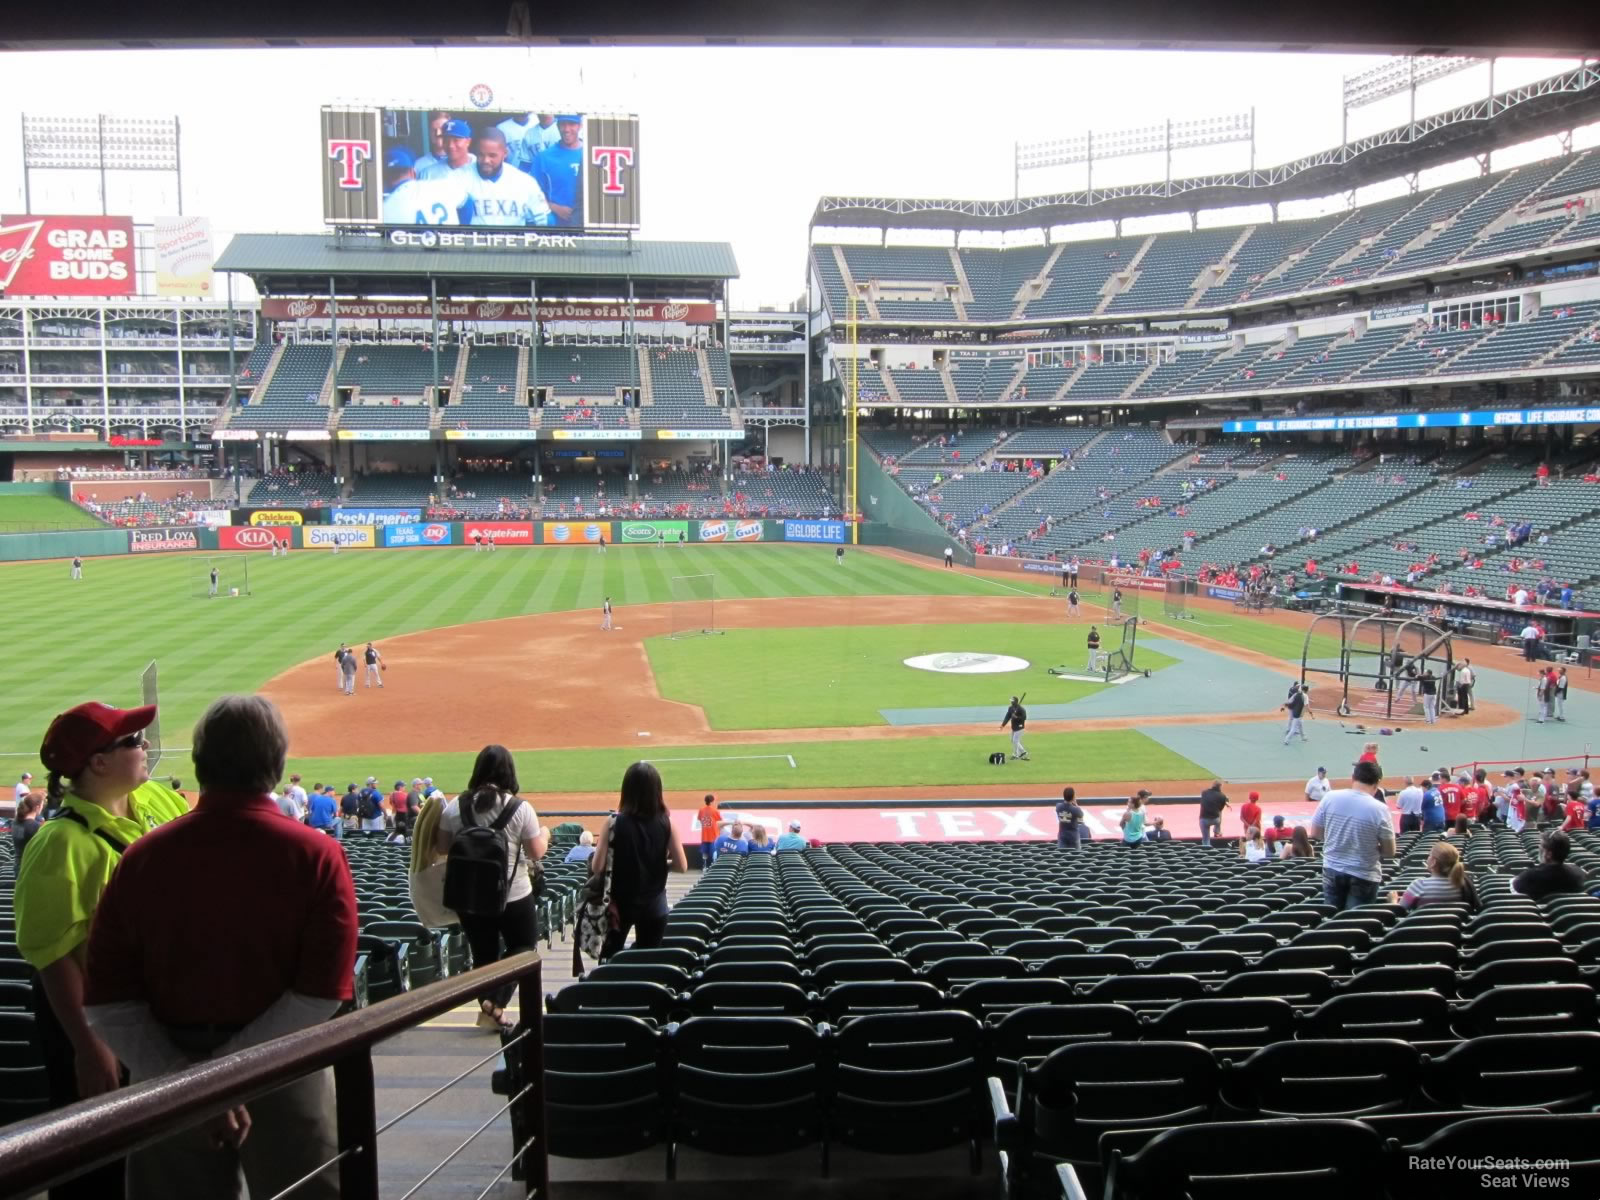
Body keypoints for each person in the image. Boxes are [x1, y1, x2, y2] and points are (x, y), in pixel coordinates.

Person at [83, 695, 356, 1200]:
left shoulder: (142, 858)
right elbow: (321, 995)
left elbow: (106, 1001)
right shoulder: (317, 854)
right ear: (277, 764)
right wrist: (223, 1080)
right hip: (282, 1074)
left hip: (164, 1081)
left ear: (200, 762)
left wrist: (191, 1086)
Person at [15, 701, 188, 1200]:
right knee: (101, 1169)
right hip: (104, 1028)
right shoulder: (58, 845)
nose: (146, 745)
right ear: (98, 763)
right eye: (132, 741)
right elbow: (52, 956)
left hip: (159, 1016)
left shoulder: (155, 799)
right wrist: (91, 1050)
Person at [434, 745, 547, 1033]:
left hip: (469, 895)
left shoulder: (455, 806)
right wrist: (546, 834)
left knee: (483, 955)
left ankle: (489, 1009)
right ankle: (494, 1003)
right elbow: (536, 852)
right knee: (524, 946)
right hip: (513, 894)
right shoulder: (521, 808)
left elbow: (442, 848)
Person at [594, 762, 687, 959]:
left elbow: (597, 867)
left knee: (609, 962)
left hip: (618, 909)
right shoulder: (666, 822)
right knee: (647, 963)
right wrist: (659, 863)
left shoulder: (612, 823)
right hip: (655, 906)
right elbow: (682, 866)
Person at [1309, 760, 1397, 910]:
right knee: (1356, 922)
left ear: (1353, 777)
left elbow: (1315, 834)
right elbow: (1390, 851)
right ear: (1377, 783)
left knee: (1332, 919)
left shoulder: (1330, 798)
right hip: (1365, 873)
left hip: (1332, 869)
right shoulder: (1380, 809)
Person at [1390, 841, 1471, 910]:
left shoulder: (1419, 885)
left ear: (1433, 862)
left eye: (1430, 855)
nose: (1427, 858)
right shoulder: (1461, 885)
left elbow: (1400, 911)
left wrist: (1393, 901)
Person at [1510, 830, 1588, 899]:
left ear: (1548, 854)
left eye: (1540, 847)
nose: (1539, 849)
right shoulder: (1578, 873)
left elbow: (1516, 891)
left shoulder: (1530, 876)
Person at [1197, 781, 1229, 847]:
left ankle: (1207, 849)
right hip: (1215, 820)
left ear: (1212, 785)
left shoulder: (1204, 792)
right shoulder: (1222, 796)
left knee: (1206, 839)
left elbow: (1210, 797)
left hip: (1204, 820)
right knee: (1219, 812)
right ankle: (1217, 831)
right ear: (1220, 787)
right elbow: (1220, 809)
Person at [12, 792, 43, 859]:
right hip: (29, 864)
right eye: (42, 805)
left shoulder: (15, 821)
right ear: (37, 808)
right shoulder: (34, 826)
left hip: (17, 863)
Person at [1001, 695, 1028, 761]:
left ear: (1015, 702)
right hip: (1014, 727)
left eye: (1012, 701)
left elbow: (1024, 718)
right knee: (1013, 740)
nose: (1011, 702)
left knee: (1015, 740)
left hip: (1020, 727)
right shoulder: (1011, 708)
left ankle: (1016, 755)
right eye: (1011, 701)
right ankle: (1023, 752)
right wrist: (1003, 725)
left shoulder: (1021, 709)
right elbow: (1007, 716)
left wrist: (1016, 717)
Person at [696, 793, 720, 868]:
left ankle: (704, 866)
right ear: (712, 802)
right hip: (713, 835)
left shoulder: (701, 810)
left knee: (704, 853)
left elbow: (700, 819)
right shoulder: (714, 811)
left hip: (704, 836)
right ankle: (714, 867)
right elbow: (719, 820)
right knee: (714, 853)